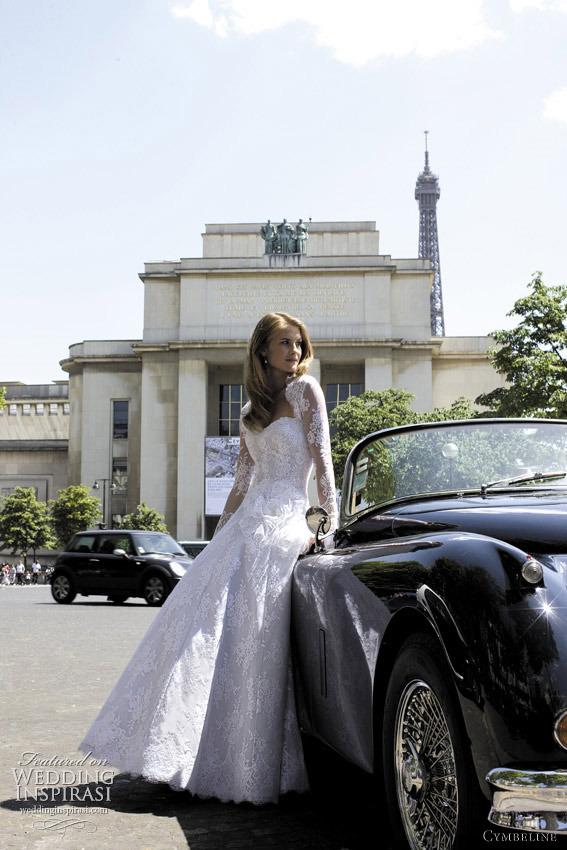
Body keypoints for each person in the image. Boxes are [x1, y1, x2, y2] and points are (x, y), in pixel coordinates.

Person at [79, 312, 338, 806]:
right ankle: (185, 748)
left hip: (287, 518)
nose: (296, 352)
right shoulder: (249, 410)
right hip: (248, 524)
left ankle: (248, 757)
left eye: (299, 344)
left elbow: (323, 465)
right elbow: (241, 484)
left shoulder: (308, 392)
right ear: (262, 350)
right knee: (196, 622)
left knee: (250, 627)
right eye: (285, 344)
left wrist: (325, 528)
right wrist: (216, 543)